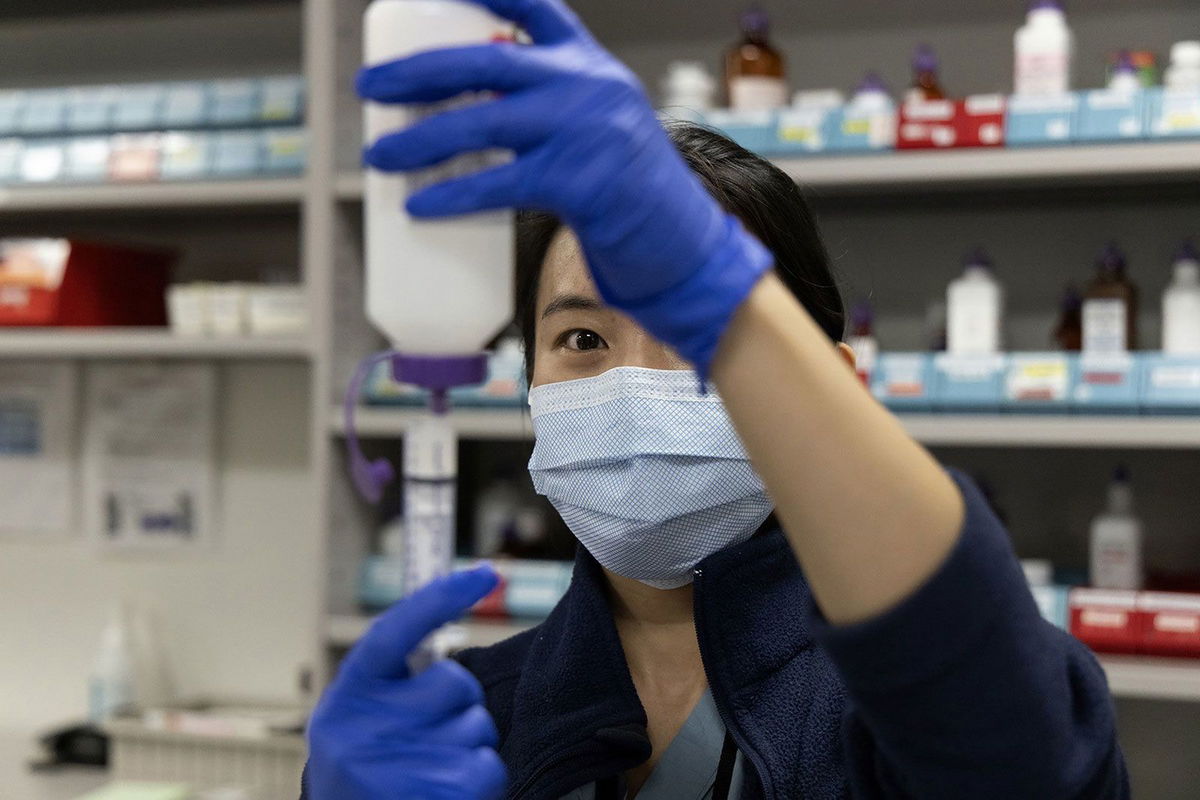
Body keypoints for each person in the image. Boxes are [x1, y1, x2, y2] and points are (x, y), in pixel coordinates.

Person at [304, 1, 1129, 798]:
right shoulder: (465, 719)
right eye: (583, 340)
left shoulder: (905, 718)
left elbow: (1024, 764)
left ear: (833, 386)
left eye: (701, 339)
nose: (635, 385)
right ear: (529, 388)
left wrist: (720, 287)